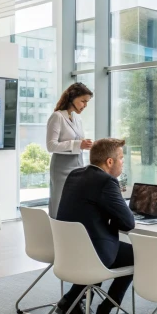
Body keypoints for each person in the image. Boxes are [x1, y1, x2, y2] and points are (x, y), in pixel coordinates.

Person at [54, 138, 135, 314]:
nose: (123, 162)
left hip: (68, 251)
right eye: (121, 158)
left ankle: (69, 301)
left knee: (106, 252)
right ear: (110, 162)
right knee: (135, 255)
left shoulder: (75, 174)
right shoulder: (107, 181)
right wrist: (114, 216)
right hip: (93, 253)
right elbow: (128, 223)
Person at [46, 82, 93, 218]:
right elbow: (51, 146)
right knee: (60, 202)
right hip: (61, 168)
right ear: (72, 97)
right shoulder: (57, 117)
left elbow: (78, 143)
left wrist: (86, 144)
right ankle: (56, 233)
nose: (85, 105)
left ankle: (72, 234)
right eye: (83, 101)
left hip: (78, 167)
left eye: (87, 102)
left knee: (75, 203)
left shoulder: (77, 118)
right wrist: (78, 144)